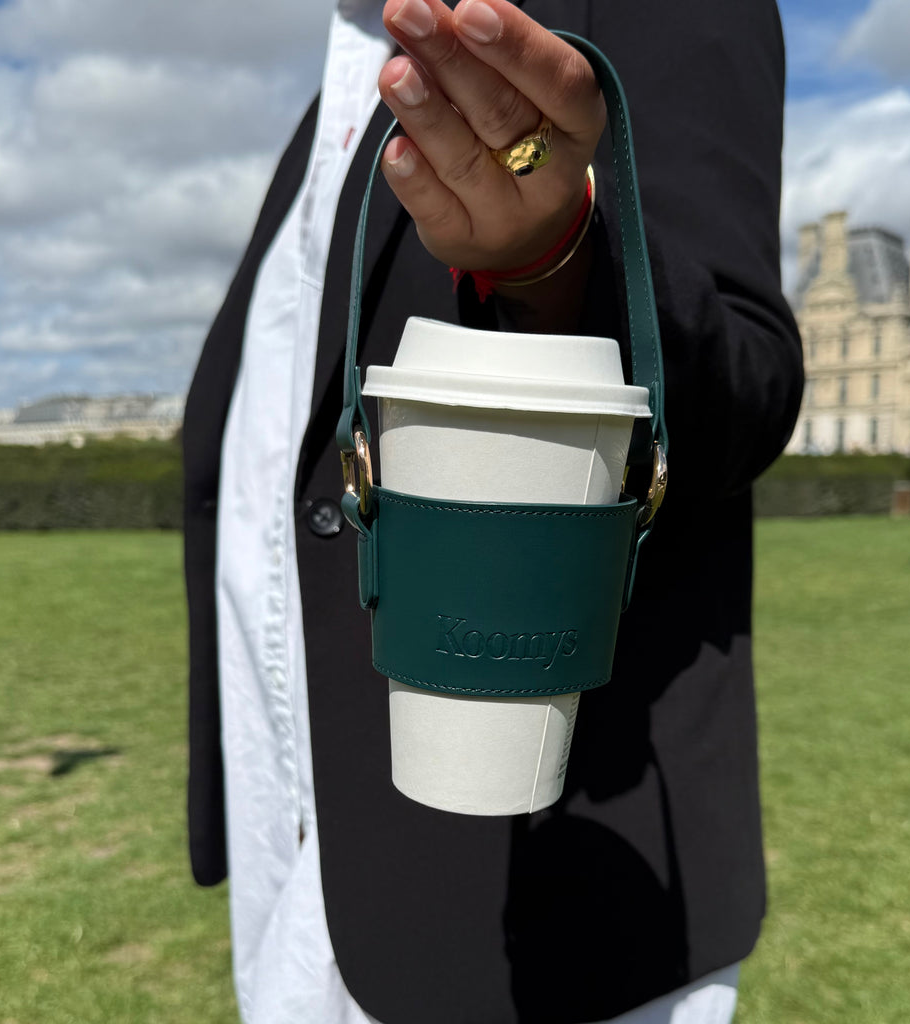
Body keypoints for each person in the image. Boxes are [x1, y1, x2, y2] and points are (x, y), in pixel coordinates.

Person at [182, 1, 803, 1022]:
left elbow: (748, 387)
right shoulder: (340, 77)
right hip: (301, 839)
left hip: (555, 901)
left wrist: (561, 254)